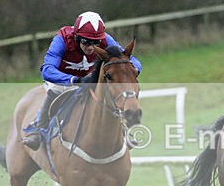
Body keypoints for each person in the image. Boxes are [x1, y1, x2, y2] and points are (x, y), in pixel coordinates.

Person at [22, 11, 142, 150]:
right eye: (86, 42)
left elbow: (131, 61)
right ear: (76, 37)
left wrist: (133, 71)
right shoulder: (62, 39)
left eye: (95, 43)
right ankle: (38, 130)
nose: (91, 47)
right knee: (54, 91)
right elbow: (47, 70)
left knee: (107, 96)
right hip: (63, 79)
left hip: (89, 78)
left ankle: (123, 130)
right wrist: (74, 80)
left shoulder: (105, 39)